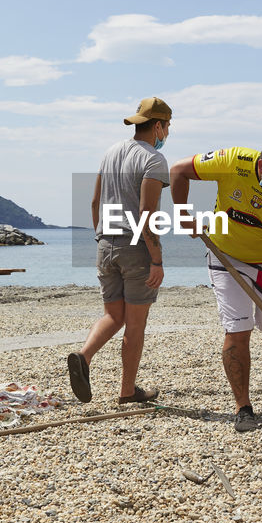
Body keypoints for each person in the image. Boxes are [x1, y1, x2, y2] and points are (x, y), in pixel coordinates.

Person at [169, 134, 262, 432]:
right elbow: (178, 171)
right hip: (226, 256)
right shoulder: (233, 162)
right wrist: (183, 214)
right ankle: (243, 406)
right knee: (238, 329)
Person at [66, 97, 171, 406]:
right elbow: (147, 213)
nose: (167, 132)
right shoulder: (153, 160)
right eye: (167, 126)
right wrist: (157, 260)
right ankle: (127, 392)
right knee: (135, 324)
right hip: (135, 246)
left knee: (113, 315)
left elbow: (95, 202)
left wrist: (101, 237)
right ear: (157, 126)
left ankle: (83, 357)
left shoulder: (110, 152)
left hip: (105, 243)